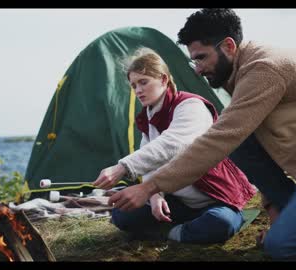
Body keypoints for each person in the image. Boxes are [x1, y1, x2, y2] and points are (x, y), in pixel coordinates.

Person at [108, 9, 296, 260]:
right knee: (242, 143)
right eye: (193, 61)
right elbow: (253, 146)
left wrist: (149, 187)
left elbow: (217, 139)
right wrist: (274, 210)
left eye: (201, 58)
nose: (197, 69)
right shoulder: (244, 71)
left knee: (281, 247)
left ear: (229, 46)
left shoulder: (263, 70)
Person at [93, 48, 256, 244]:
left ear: (163, 80)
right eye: (134, 85)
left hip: (214, 198)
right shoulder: (148, 117)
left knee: (220, 224)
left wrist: (122, 167)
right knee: (122, 215)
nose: (138, 90)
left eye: (144, 82)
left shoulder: (191, 106)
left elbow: (172, 143)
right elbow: (149, 161)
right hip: (180, 202)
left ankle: (172, 234)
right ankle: (184, 225)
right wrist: (155, 196)